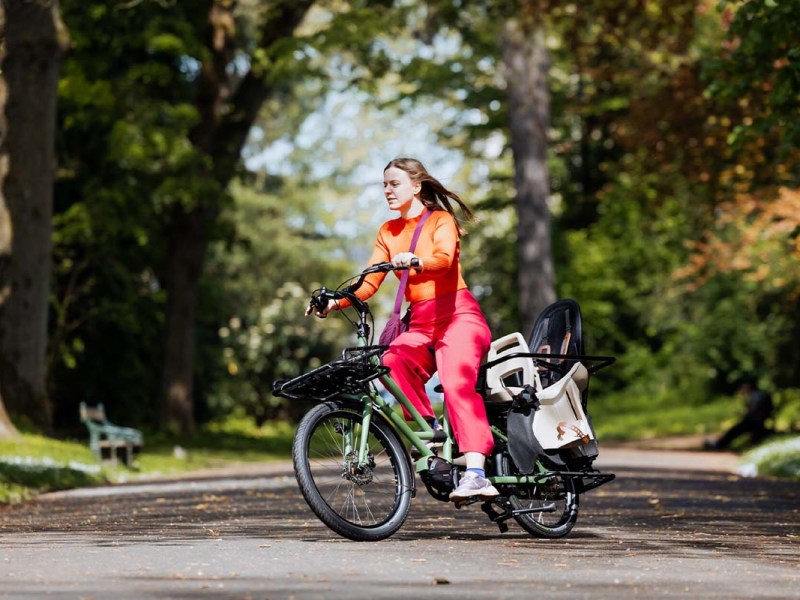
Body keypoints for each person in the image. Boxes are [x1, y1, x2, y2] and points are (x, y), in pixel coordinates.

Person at [307, 157, 498, 501]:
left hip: (458, 315)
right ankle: (431, 434)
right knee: (391, 362)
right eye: (384, 185)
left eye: (394, 184)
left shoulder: (440, 221)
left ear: (416, 186)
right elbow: (368, 283)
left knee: (456, 383)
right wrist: (335, 303)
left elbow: (445, 259)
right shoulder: (388, 231)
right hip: (422, 321)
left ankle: (476, 472)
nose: (387, 191)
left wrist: (417, 262)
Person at [705, 378, 774, 450]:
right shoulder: (757, 394)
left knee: (734, 430)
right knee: (735, 429)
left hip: (754, 422)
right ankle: (719, 443)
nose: (742, 388)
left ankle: (719, 444)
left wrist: (743, 398)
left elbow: (752, 409)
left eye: (744, 386)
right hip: (756, 421)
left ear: (749, 386)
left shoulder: (755, 395)